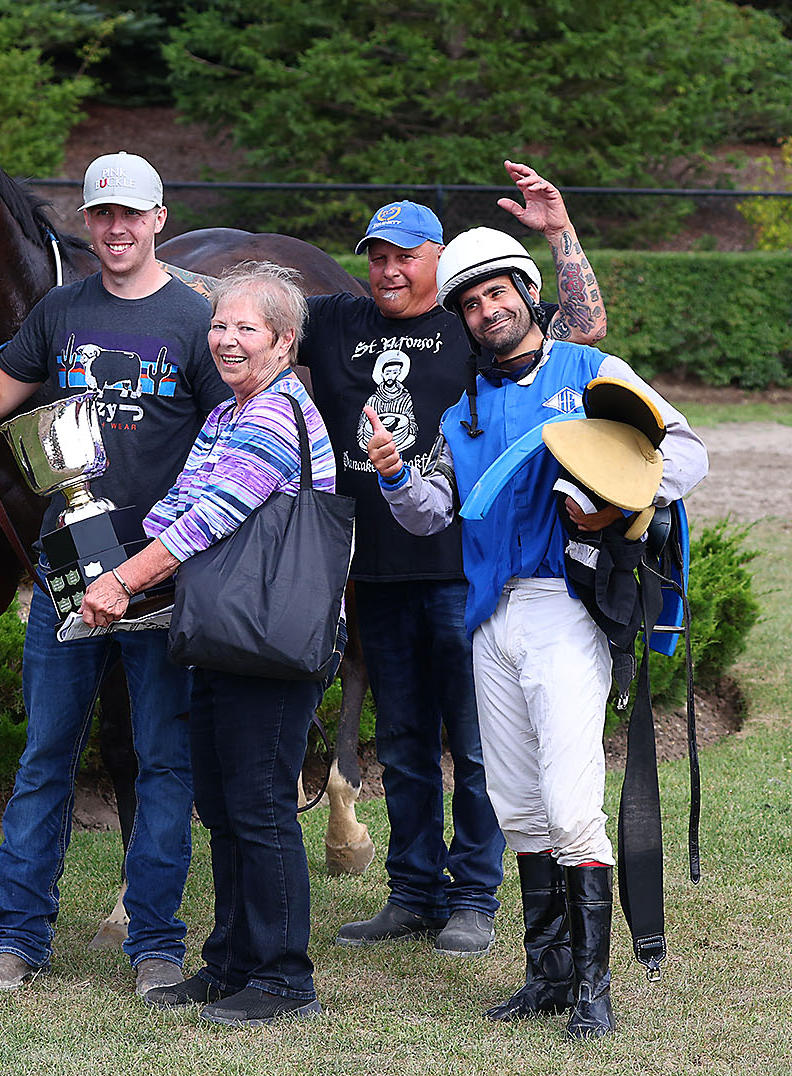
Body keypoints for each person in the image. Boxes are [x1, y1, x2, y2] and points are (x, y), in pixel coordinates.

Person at [364, 227, 708, 1037]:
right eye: (471, 303)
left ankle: (594, 989)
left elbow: (685, 452)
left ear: (526, 290)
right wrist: (393, 473)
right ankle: (547, 976)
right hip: (487, 615)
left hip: (566, 607)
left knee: (565, 799)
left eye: (498, 293)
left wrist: (621, 500)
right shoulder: (462, 411)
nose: (488, 311)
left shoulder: (593, 372)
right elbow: (430, 515)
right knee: (515, 803)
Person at [0, 152, 231, 997]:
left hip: (163, 576)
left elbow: (229, 445)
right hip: (68, 571)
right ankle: (17, 943)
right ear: (89, 221)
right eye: (102, 215)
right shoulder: (61, 310)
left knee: (164, 762)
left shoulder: (195, 319)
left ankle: (157, 947)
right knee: (46, 757)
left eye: (132, 214)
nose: (117, 228)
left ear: (160, 218)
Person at [297, 162, 608, 956]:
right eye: (377, 255)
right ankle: (413, 892)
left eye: (405, 255)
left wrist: (559, 230)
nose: (389, 270)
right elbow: (243, 315)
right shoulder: (335, 321)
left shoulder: (475, 328)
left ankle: (476, 894)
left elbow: (580, 325)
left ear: (440, 257)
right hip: (376, 567)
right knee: (400, 741)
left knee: (473, 745)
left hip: (470, 573)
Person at [80, 263, 336, 1026]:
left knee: (260, 808)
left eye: (245, 328)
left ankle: (286, 980)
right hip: (230, 633)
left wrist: (122, 582)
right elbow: (177, 506)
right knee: (224, 805)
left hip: (271, 639)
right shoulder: (228, 413)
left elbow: (210, 519)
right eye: (219, 325)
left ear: (284, 342)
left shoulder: (270, 415)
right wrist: (94, 551)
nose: (225, 339)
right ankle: (231, 963)